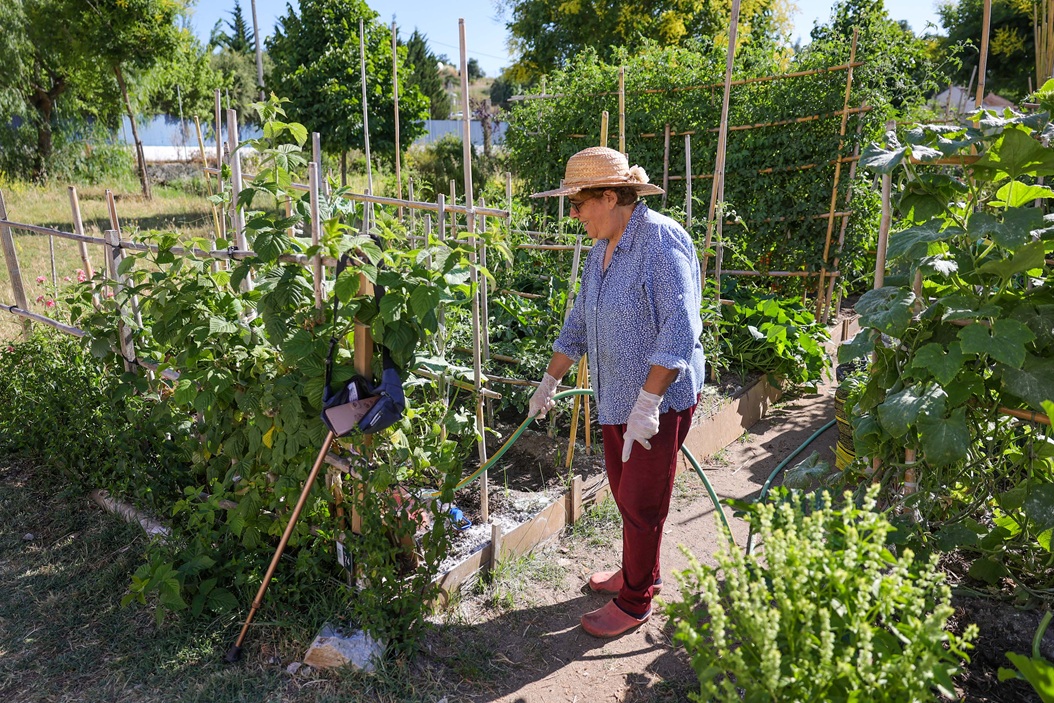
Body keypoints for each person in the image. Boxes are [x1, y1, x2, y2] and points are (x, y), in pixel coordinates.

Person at [528, 146, 706, 638]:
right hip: (614, 397)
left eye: (578, 203)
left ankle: (635, 601)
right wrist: (550, 380)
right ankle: (636, 573)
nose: (574, 214)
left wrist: (649, 403)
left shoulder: (661, 241)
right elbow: (579, 324)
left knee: (643, 500)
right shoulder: (599, 252)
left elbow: (680, 327)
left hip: (657, 402)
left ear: (609, 196)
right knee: (627, 495)